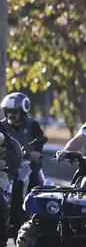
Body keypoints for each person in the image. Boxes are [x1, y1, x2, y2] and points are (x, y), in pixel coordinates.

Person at [1, 92, 46, 237]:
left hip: (27, 163)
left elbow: (40, 141)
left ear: (23, 111)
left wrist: (36, 153)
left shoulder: (33, 125)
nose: (11, 115)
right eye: (8, 111)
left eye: (15, 112)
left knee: (37, 180)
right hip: (6, 165)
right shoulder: (1, 126)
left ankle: (35, 212)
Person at [0, 130, 22, 247]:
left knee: (1, 206)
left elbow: (15, 154)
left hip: (1, 178)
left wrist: (5, 161)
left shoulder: (4, 137)